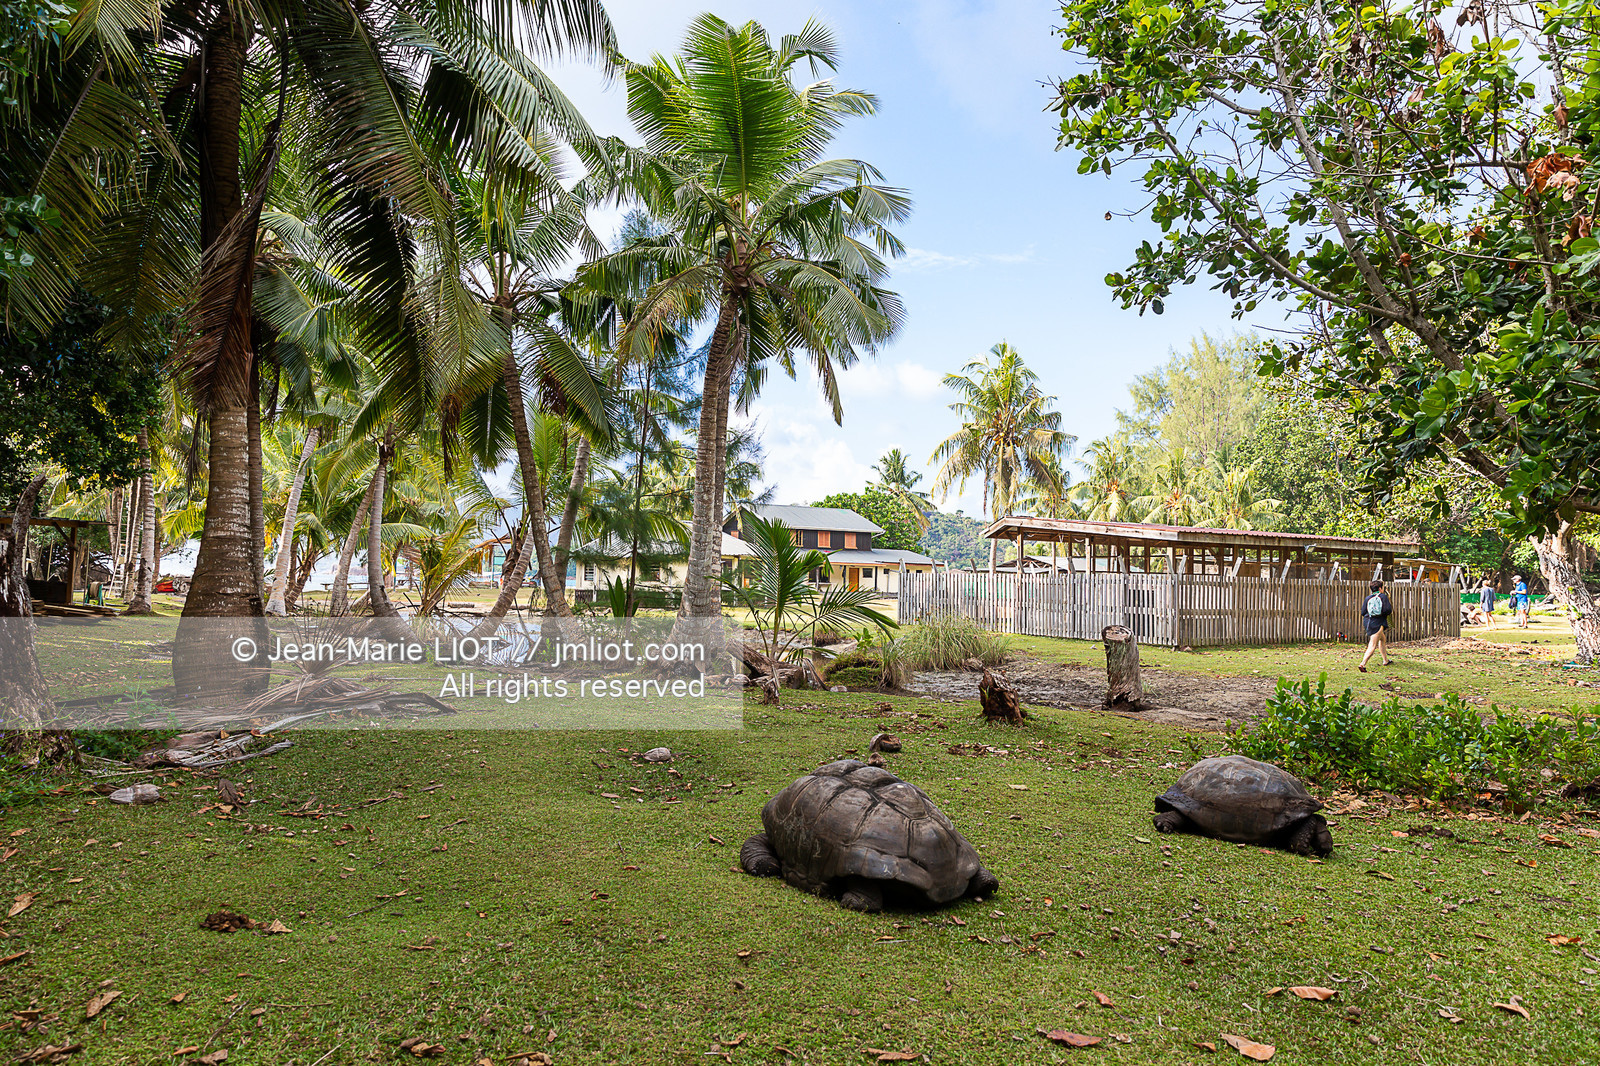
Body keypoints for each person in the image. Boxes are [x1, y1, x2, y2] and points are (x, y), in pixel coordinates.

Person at [1358, 579, 1393, 672]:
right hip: (1377, 623)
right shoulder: (1383, 597)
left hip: (1368, 622)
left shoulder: (1368, 598)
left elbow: (1363, 612)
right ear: (1380, 588)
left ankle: (1385, 660)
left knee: (1382, 639)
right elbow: (1388, 610)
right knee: (1372, 645)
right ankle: (1363, 664)